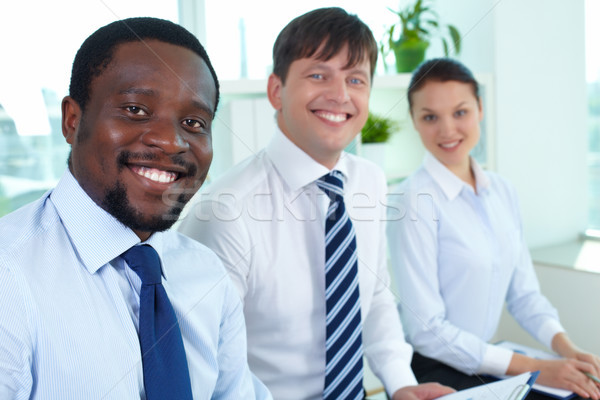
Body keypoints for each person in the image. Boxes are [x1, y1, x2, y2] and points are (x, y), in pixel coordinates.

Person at [179, 7, 454, 400]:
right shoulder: (226, 210)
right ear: (277, 90)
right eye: (318, 75)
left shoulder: (370, 181)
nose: (340, 95)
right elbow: (208, 365)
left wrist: (401, 384)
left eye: (355, 79)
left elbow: (374, 298)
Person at [0, 17, 271, 399]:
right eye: (136, 110)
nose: (171, 141)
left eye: (194, 122)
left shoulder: (205, 275)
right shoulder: (9, 277)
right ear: (72, 121)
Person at [386, 57, 600, 399]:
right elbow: (427, 331)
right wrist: (538, 368)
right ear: (413, 120)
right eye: (430, 117)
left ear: (480, 108)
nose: (447, 130)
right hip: (432, 369)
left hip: (487, 359)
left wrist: (567, 349)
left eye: (460, 112)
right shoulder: (411, 200)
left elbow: (525, 295)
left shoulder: (501, 191)